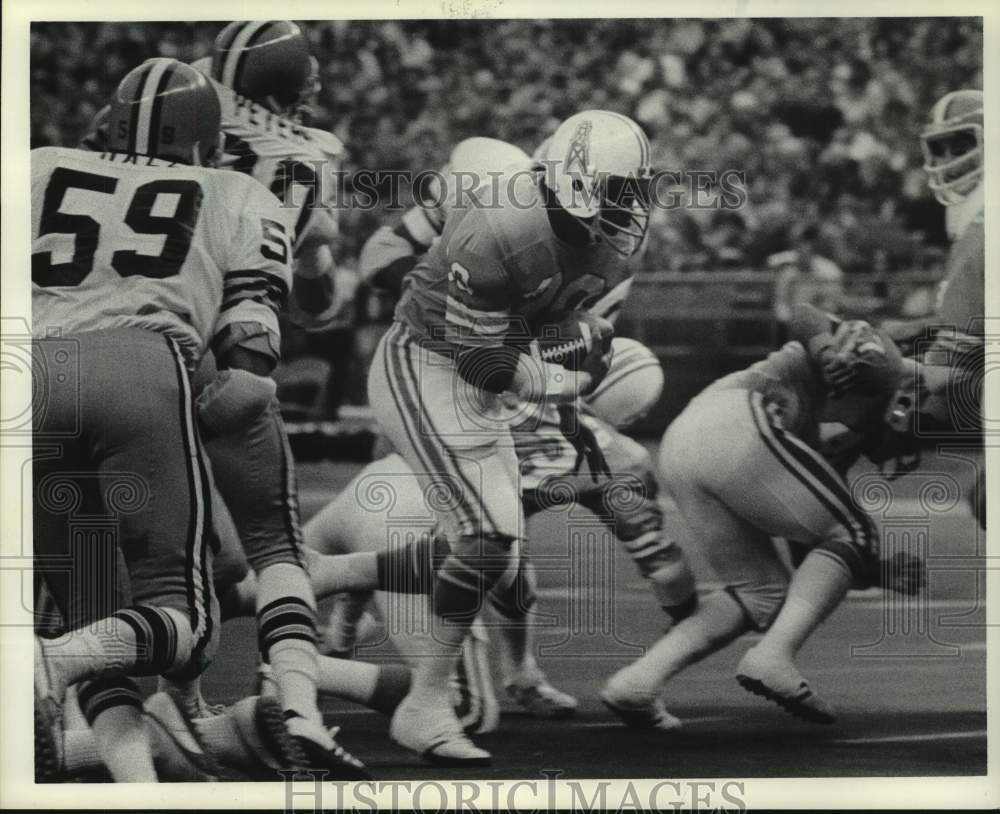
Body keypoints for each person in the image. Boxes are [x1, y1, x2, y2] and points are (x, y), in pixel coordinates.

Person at [75, 23, 369, 779]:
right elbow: (313, 294)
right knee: (270, 547)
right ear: (283, 89)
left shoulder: (167, 96)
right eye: (303, 79)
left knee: (130, 559)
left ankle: (168, 710)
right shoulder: (304, 158)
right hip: (219, 352)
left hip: (105, 349)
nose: (315, 90)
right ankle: (298, 704)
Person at [32, 59, 296, 781]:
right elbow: (248, 382)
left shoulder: (38, 165)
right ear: (207, 144)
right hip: (139, 373)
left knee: (95, 614)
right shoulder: (236, 191)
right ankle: (41, 662)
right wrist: (186, 435)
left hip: (26, 375)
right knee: (189, 624)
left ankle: (136, 784)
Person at [365, 109, 654, 764]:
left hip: (489, 362)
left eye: (633, 188)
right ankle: (424, 700)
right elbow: (483, 364)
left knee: (496, 550)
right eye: (617, 190)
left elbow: (531, 329)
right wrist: (566, 384)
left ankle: (342, 595)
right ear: (574, 183)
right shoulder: (501, 226)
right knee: (488, 536)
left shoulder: (600, 237)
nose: (630, 204)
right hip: (426, 360)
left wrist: (570, 370)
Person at [600, 304, 932, 727]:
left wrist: (874, 571)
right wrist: (831, 350)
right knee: (856, 529)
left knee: (764, 591)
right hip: (735, 421)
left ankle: (637, 683)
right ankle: (773, 658)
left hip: (687, 444)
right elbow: (807, 314)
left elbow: (812, 550)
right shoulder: (886, 364)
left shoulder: (834, 433)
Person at [770, 223, 845, 345]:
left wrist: (816, 319)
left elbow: (832, 303)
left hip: (822, 320)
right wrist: (790, 320)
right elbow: (780, 303)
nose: (802, 254)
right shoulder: (787, 273)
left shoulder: (830, 271)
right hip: (792, 323)